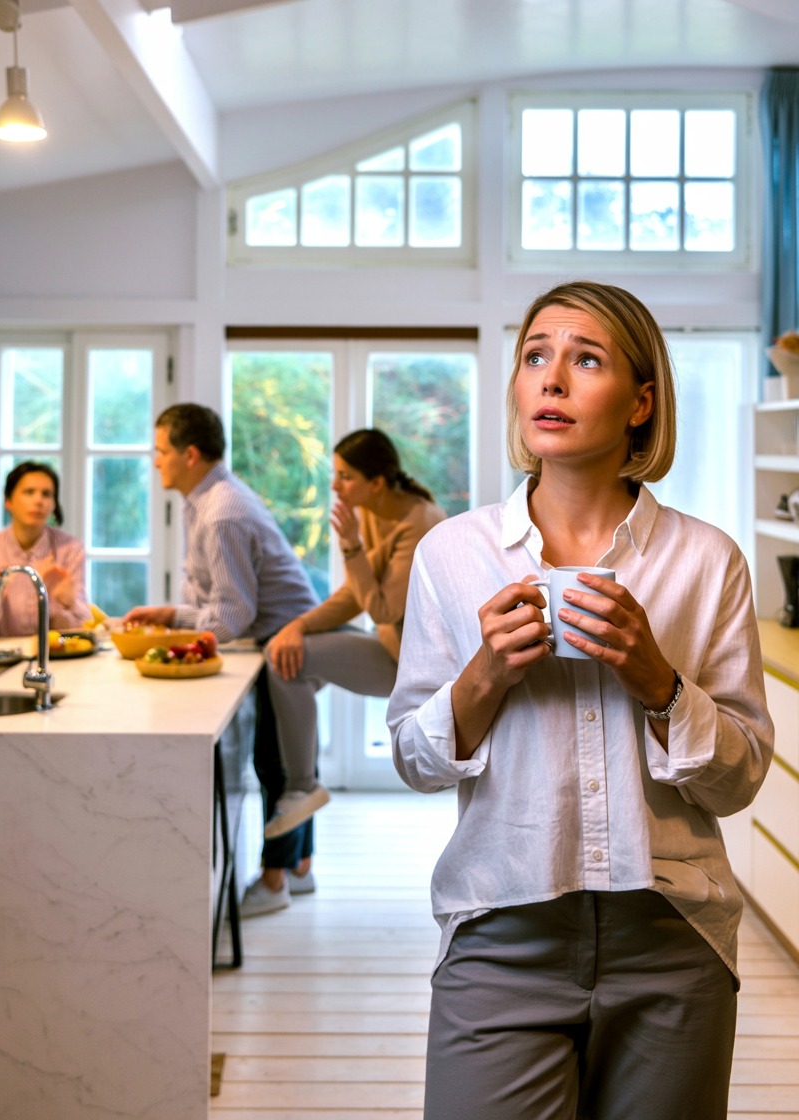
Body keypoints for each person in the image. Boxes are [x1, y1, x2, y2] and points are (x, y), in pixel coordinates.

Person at [387, 281, 774, 1120]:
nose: (550, 379)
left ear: (640, 403)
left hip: (674, 940)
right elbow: (414, 762)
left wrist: (658, 682)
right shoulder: (452, 555)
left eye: (584, 359)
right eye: (535, 356)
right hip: (498, 932)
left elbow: (738, 782)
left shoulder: (708, 562)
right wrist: (484, 676)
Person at [122, 403, 321, 917]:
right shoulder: (209, 499)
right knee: (288, 757)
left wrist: (167, 637)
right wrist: (171, 614)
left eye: (161, 450)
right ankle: (298, 869)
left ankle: (274, 882)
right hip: (277, 637)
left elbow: (232, 615)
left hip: (283, 643)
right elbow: (224, 604)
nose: (154, 460)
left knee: (276, 763)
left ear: (189, 454)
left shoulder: (220, 511)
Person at [262, 428, 446, 843]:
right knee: (290, 657)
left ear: (376, 482)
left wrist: (349, 547)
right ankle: (300, 850)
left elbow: (382, 608)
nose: (334, 485)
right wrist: (299, 625)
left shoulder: (418, 523)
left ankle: (302, 787)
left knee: (283, 662)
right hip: (388, 644)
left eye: (345, 476)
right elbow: (355, 594)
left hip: (412, 664)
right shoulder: (371, 509)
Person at [0, 460, 90, 637]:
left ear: (54, 505)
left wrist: (65, 603)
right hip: (2, 660)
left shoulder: (70, 550)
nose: (38, 500)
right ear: (8, 501)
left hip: (57, 658)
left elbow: (82, 633)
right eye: (29, 492)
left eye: (46, 494)